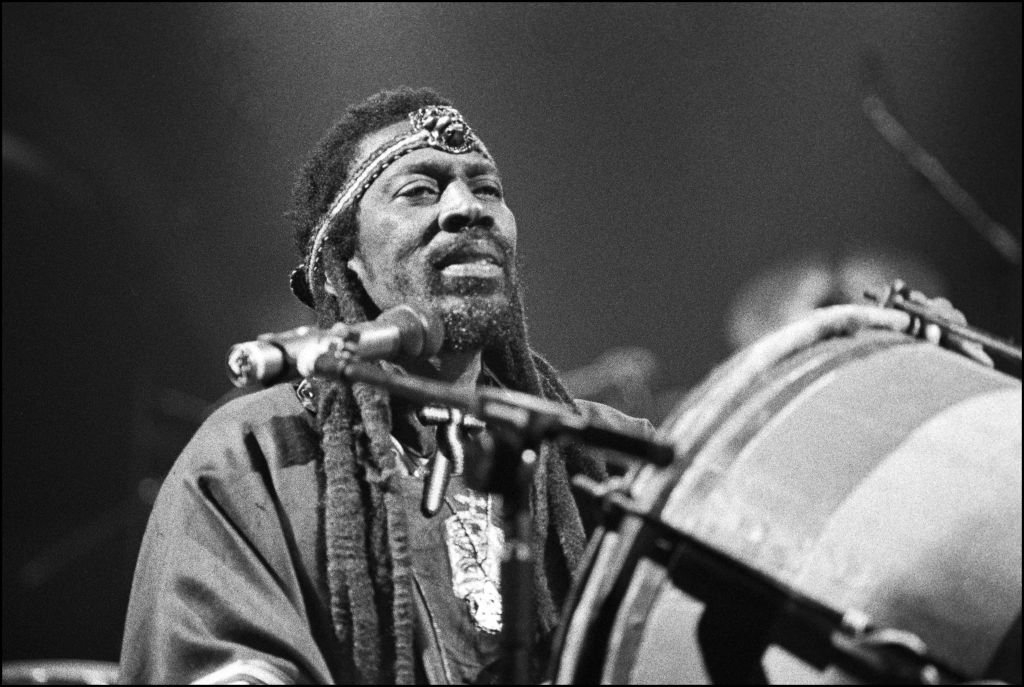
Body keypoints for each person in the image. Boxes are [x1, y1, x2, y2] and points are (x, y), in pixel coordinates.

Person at [118, 87, 653, 685]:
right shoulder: (252, 459)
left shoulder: (612, 456)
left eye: (488, 189)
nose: (465, 207)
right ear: (348, 260)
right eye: (419, 191)